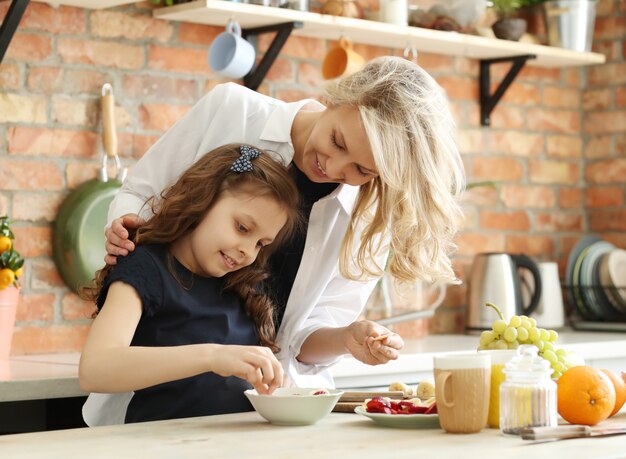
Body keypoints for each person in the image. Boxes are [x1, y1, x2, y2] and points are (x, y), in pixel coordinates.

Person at [85, 55, 465, 425]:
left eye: (362, 170)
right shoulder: (232, 111)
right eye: (337, 141)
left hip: (263, 416)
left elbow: (299, 336)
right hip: (155, 414)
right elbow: (141, 198)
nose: (333, 168)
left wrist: (347, 336)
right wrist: (126, 229)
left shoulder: (367, 217)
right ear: (336, 98)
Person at [79, 144, 302, 423]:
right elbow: (94, 369)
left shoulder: (242, 286)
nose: (248, 250)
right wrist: (211, 357)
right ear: (203, 200)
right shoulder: (145, 266)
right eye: (242, 228)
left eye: (260, 243)